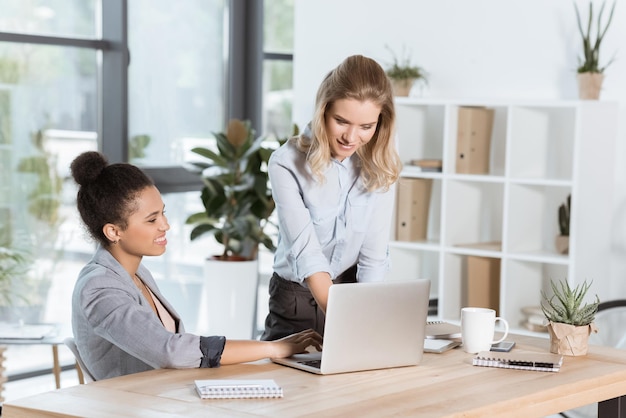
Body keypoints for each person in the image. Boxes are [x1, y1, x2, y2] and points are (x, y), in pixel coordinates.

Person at [69, 151, 321, 381]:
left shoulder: (135, 273)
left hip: (163, 394)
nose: (165, 225)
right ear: (113, 231)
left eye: (163, 213)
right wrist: (275, 347)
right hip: (131, 407)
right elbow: (170, 350)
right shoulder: (99, 287)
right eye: (152, 219)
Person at [261, 55, 402, 341]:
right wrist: (349, 322)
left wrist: (367, 320)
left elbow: (373, 258)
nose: (351, 137)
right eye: (341, 121)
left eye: (366, 127)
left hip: (352, 291)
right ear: (323, 111)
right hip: (296, 299)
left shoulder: (380, 160)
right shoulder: (286, 163)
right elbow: (308, 255)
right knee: (291, 383)